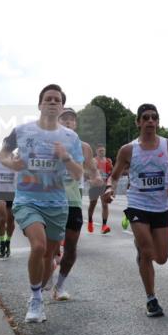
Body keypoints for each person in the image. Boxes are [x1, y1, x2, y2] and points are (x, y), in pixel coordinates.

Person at [0, 84, 84, 323]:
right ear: (40, 104)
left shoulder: (70, 138)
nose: (53, 102)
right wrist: (11, 163)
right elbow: (3, 153)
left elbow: (78, 174)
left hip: (57, 203)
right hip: (28, 199)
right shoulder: (22, 131)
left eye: (57, 100)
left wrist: (65, 157)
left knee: (49, 254)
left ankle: (38, 291)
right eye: (48, 99)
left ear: (62, 107)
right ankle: (36, 299)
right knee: (38, 246)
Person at [102, 104, 168, 317]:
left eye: (154, 117)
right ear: (138, 122)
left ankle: (142, 250)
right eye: (145, 117)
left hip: (160, 205)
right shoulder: (128, 150)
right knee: (147, 252)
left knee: (161, 257)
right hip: (138, 204)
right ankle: (151, 299)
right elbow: (115, 175)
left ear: (158, 121)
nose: (150, 121)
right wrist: (110, 188)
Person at [52, 108, 101, 300]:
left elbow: (92, 170)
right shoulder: (49, 142)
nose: (68, 122)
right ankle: (48, 268)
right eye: (64, 119)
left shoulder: (84, 147)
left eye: (72, 120)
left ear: (76, 124)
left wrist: (96, 179)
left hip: (73, 200)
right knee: (50, 246)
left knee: (71, 248)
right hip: (50, 199)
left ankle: (60, 286)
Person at [87, 144, 113, 233]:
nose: (102, 152)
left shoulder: (108, 161)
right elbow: (90, 172)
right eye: (100, 151)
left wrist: (110, 184)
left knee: (105, 205)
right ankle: (90, 221)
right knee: (92, 205)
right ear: (96, 151)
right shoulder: (94, 161)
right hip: (95, 186)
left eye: (103, 150)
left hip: (104, 186)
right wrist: (91, 180)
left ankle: (104, 226)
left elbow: (111, 173)